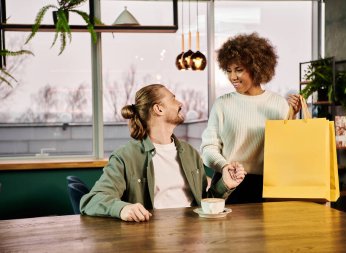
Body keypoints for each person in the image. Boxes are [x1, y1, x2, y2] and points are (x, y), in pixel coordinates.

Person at [80, 84, 247, 222]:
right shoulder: (125, 157)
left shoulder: (190, 153)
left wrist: (225, 184)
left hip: (192, 238)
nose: (179, 102)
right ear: (158, 109)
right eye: (173, 98)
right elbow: (91, 200)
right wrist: (122, 208)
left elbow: (203, 202)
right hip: (149, 239)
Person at [200, 33, 301, 204]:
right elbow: (208, 149)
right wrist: (224, 166)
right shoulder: (222, 104)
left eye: (239, 70)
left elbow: (288, 148)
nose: (233, 77)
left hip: (269, 186)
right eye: (229, 70)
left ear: (257, 68)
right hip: (229, 184)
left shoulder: (278, 103)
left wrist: (292, 117)